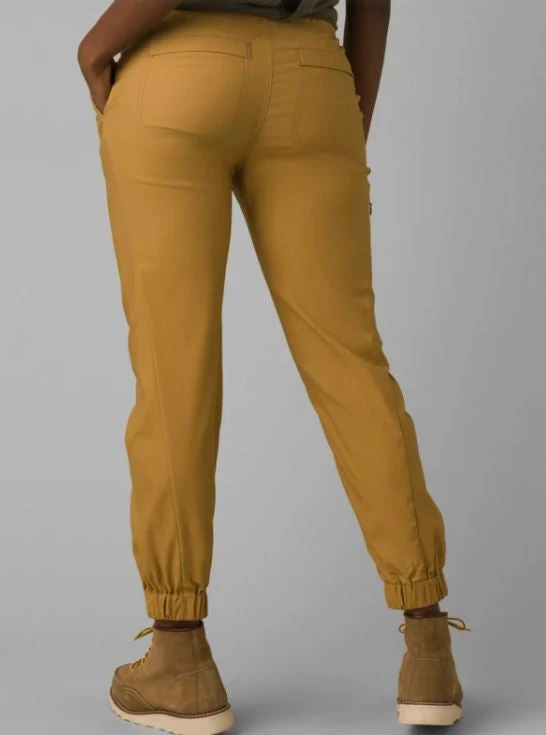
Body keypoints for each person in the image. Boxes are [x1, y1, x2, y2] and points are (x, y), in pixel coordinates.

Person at [78, 1, 470, 732]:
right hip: (314, 80)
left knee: (173, 371)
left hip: (176, 65)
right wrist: (341, 120)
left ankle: (181, 656)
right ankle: (428, 647)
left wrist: (96, 48)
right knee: (352, 364)